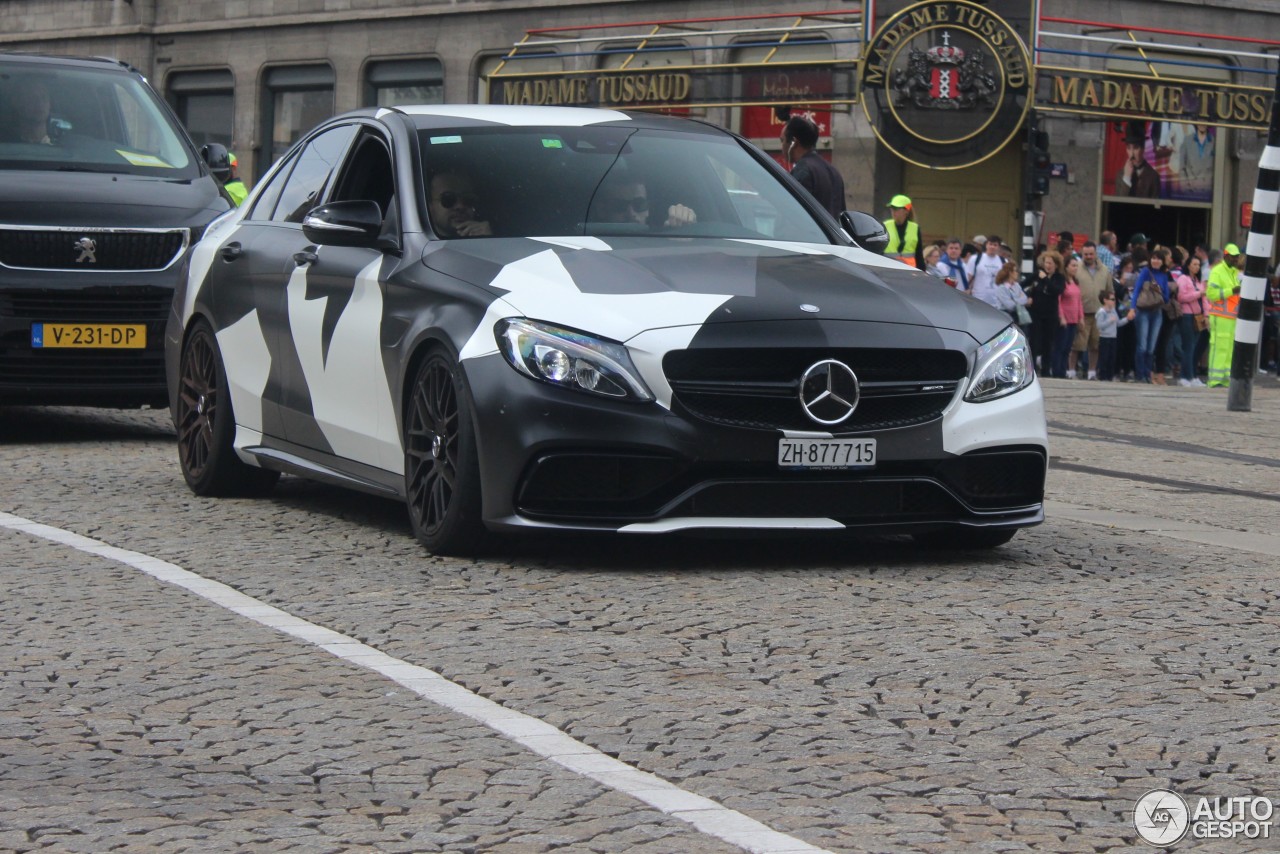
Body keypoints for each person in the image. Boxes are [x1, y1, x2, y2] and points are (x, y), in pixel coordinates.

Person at [781, 115, 846, 219]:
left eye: (782, 140)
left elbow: (793, 215)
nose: (782, 146)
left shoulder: (803, 170)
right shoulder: (834, 172)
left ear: (794, 142)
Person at [1130, 247, 1172, 383]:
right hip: (1142, 311)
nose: (1155, 261)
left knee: (1151, 347)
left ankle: (1148, 375)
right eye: (1153, 258)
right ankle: (1140, 375)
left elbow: (1166, 298)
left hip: (1157, 312)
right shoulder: (1145, 272)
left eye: (1158, 259)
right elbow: (1136, 290)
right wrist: (1132, 308)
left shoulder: (1164, 275)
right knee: (1142, 345)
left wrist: (1159, 290)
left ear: (1162, 261)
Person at [1205, 243, 1243, 387]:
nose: (1235, 260)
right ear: (1226, 256)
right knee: (1219, 347)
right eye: (1233, 258)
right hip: (1220, 316)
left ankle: (1225, 379)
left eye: (1237, 258)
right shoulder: (1217, 271)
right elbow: (1211, 294)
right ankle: (1214, 380)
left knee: (1228, 348)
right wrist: (1231, 291)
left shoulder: (1233, 273)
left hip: (1231, 317)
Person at [1071, 241, 1111, 379]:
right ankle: (1071, 371)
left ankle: (1092, 372)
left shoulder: (1105, 270)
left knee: (1096, 344)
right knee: (1077, 344)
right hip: (1081, 313)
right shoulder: (1077, 269)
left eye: (1091, 254)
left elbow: (1110, 291)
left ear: (1096, 254)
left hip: (1100, 313)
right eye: (1085, 254)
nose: (1088, 256)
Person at [596, 177, 696, 228]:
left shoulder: (663, 243)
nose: (631, 214)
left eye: (639, 205)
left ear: (648, 208)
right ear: (602, 211)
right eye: (620, 206)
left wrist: (684, 223)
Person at [1024, 249, 1064, 375]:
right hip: (1036, 313)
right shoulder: (1037, 274)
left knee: (1048, 342)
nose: (1048, 266)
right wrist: (1028, 295)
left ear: (1056, 265)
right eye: (1046, 263)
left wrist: (1046, 279)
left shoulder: (1059, 278)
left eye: (1050, 263)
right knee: (1034, 342)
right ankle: (1032, 369)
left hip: (1050, 314)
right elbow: (1022, 284)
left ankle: (1046, 369)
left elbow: (1057, 290)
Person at [1174, 254, 1207, 386]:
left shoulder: (1198, 281)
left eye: (1198, 265)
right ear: (1188, 265)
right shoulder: (1183, 279)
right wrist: (1198, 294)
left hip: (1198, 316)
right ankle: (1185, 376)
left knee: (1194, 347)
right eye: (1194, 264)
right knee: (1189, 346)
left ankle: (1192, 375)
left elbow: (1205, 299)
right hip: (1187, 315)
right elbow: (1181, 297)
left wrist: (1206, 314)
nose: (1197, 267)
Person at [428, 171, 492, 238]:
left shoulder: (485, 238)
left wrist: (488, 241)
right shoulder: (420, 245)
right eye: (448, 199)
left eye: (468, 199)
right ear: (429, 206)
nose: (460, 206)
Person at [1053, 256, 1084, 379]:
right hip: (1065, 319)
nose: (1075, 268)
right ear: (1066, 267)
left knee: (1068, 347)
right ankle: (1057, 371)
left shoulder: (1076, 282)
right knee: (1060, 346)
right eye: (1073, 265)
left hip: (1074, 320)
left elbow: (1079, 301)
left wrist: (1080, 317)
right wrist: (1061, 317)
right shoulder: (1063, 282)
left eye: (1076, 265)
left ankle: (1063, 370)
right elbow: (1059, 300)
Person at [1095, 291, 1134, 381]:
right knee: (1104, 358)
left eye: (1114, 299)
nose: (1114, 301)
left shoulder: (1113, 311)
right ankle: (1102, 376)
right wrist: (1109, 321)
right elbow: (1099, 325)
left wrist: (1127, 319)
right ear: (1105, 300)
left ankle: (1109, 376)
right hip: (1104, 338)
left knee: (1112, 358)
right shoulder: (1102, 312)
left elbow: (1118, 323)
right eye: (1112, 299)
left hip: (1113, 337)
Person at [1115, 122, 1160, 198]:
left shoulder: (1153, 176)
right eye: (1129, 148)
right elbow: (1117, 204)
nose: (1131, 154)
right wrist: (1126, 177)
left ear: (1143, 149)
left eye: (1136, 148)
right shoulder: (1120, 175)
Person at [1170, 124, 1214, 198]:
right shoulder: (1187, 140)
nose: (1202, 124)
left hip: (1207, 192)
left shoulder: (1214, 142)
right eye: (1200, 120)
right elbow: (1182, 168)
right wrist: (1185, 189)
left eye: (1205, 120)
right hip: (1190, 191)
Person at [882, 194, 924, 268]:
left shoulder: (915, 228)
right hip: (888, 270)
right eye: (892, 208)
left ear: (906, 211)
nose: (893, 211)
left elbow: (919, 255)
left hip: (908, 272)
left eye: (896, 208)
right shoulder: (885, 226)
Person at [966, 234, 1005, 308]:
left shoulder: (1003, 261)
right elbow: (969, 277)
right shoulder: (975, 259)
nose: (992, 247)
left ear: (999, 247)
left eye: (995, 245)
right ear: (986, 245)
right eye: (990, 244)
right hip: (978, 300)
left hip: (997, 303)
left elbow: (1005, 281)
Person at [9, 79, 52, 144]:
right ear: (17, 103)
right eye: (31, 97)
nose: (39, 103)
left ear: (50, 104)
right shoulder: (6, 146)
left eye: (44, 97)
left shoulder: (66, 148)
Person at [993, 260, 1029, 326]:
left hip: (1019, 316)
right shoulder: (1001, 288)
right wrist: (1019, 299)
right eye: (1015, 271)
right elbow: (1010, 306)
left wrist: (1014, 300)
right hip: (1006, 317)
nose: (1017, 273)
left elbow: (1025, 298)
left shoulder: (1016, 285)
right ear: (1010, 272)